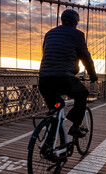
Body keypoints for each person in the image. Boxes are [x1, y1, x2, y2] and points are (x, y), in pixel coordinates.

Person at [38, 9, 98, 138]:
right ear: (76, 23)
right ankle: (75, 127)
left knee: (55, 109)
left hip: (43, 80)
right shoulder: (78, 35)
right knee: (82, 94)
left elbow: (46, 53)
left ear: (61, 21)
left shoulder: (49, 33)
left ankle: (49, 144)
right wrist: (93, 76)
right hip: (64, 79)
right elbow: (86, 58)